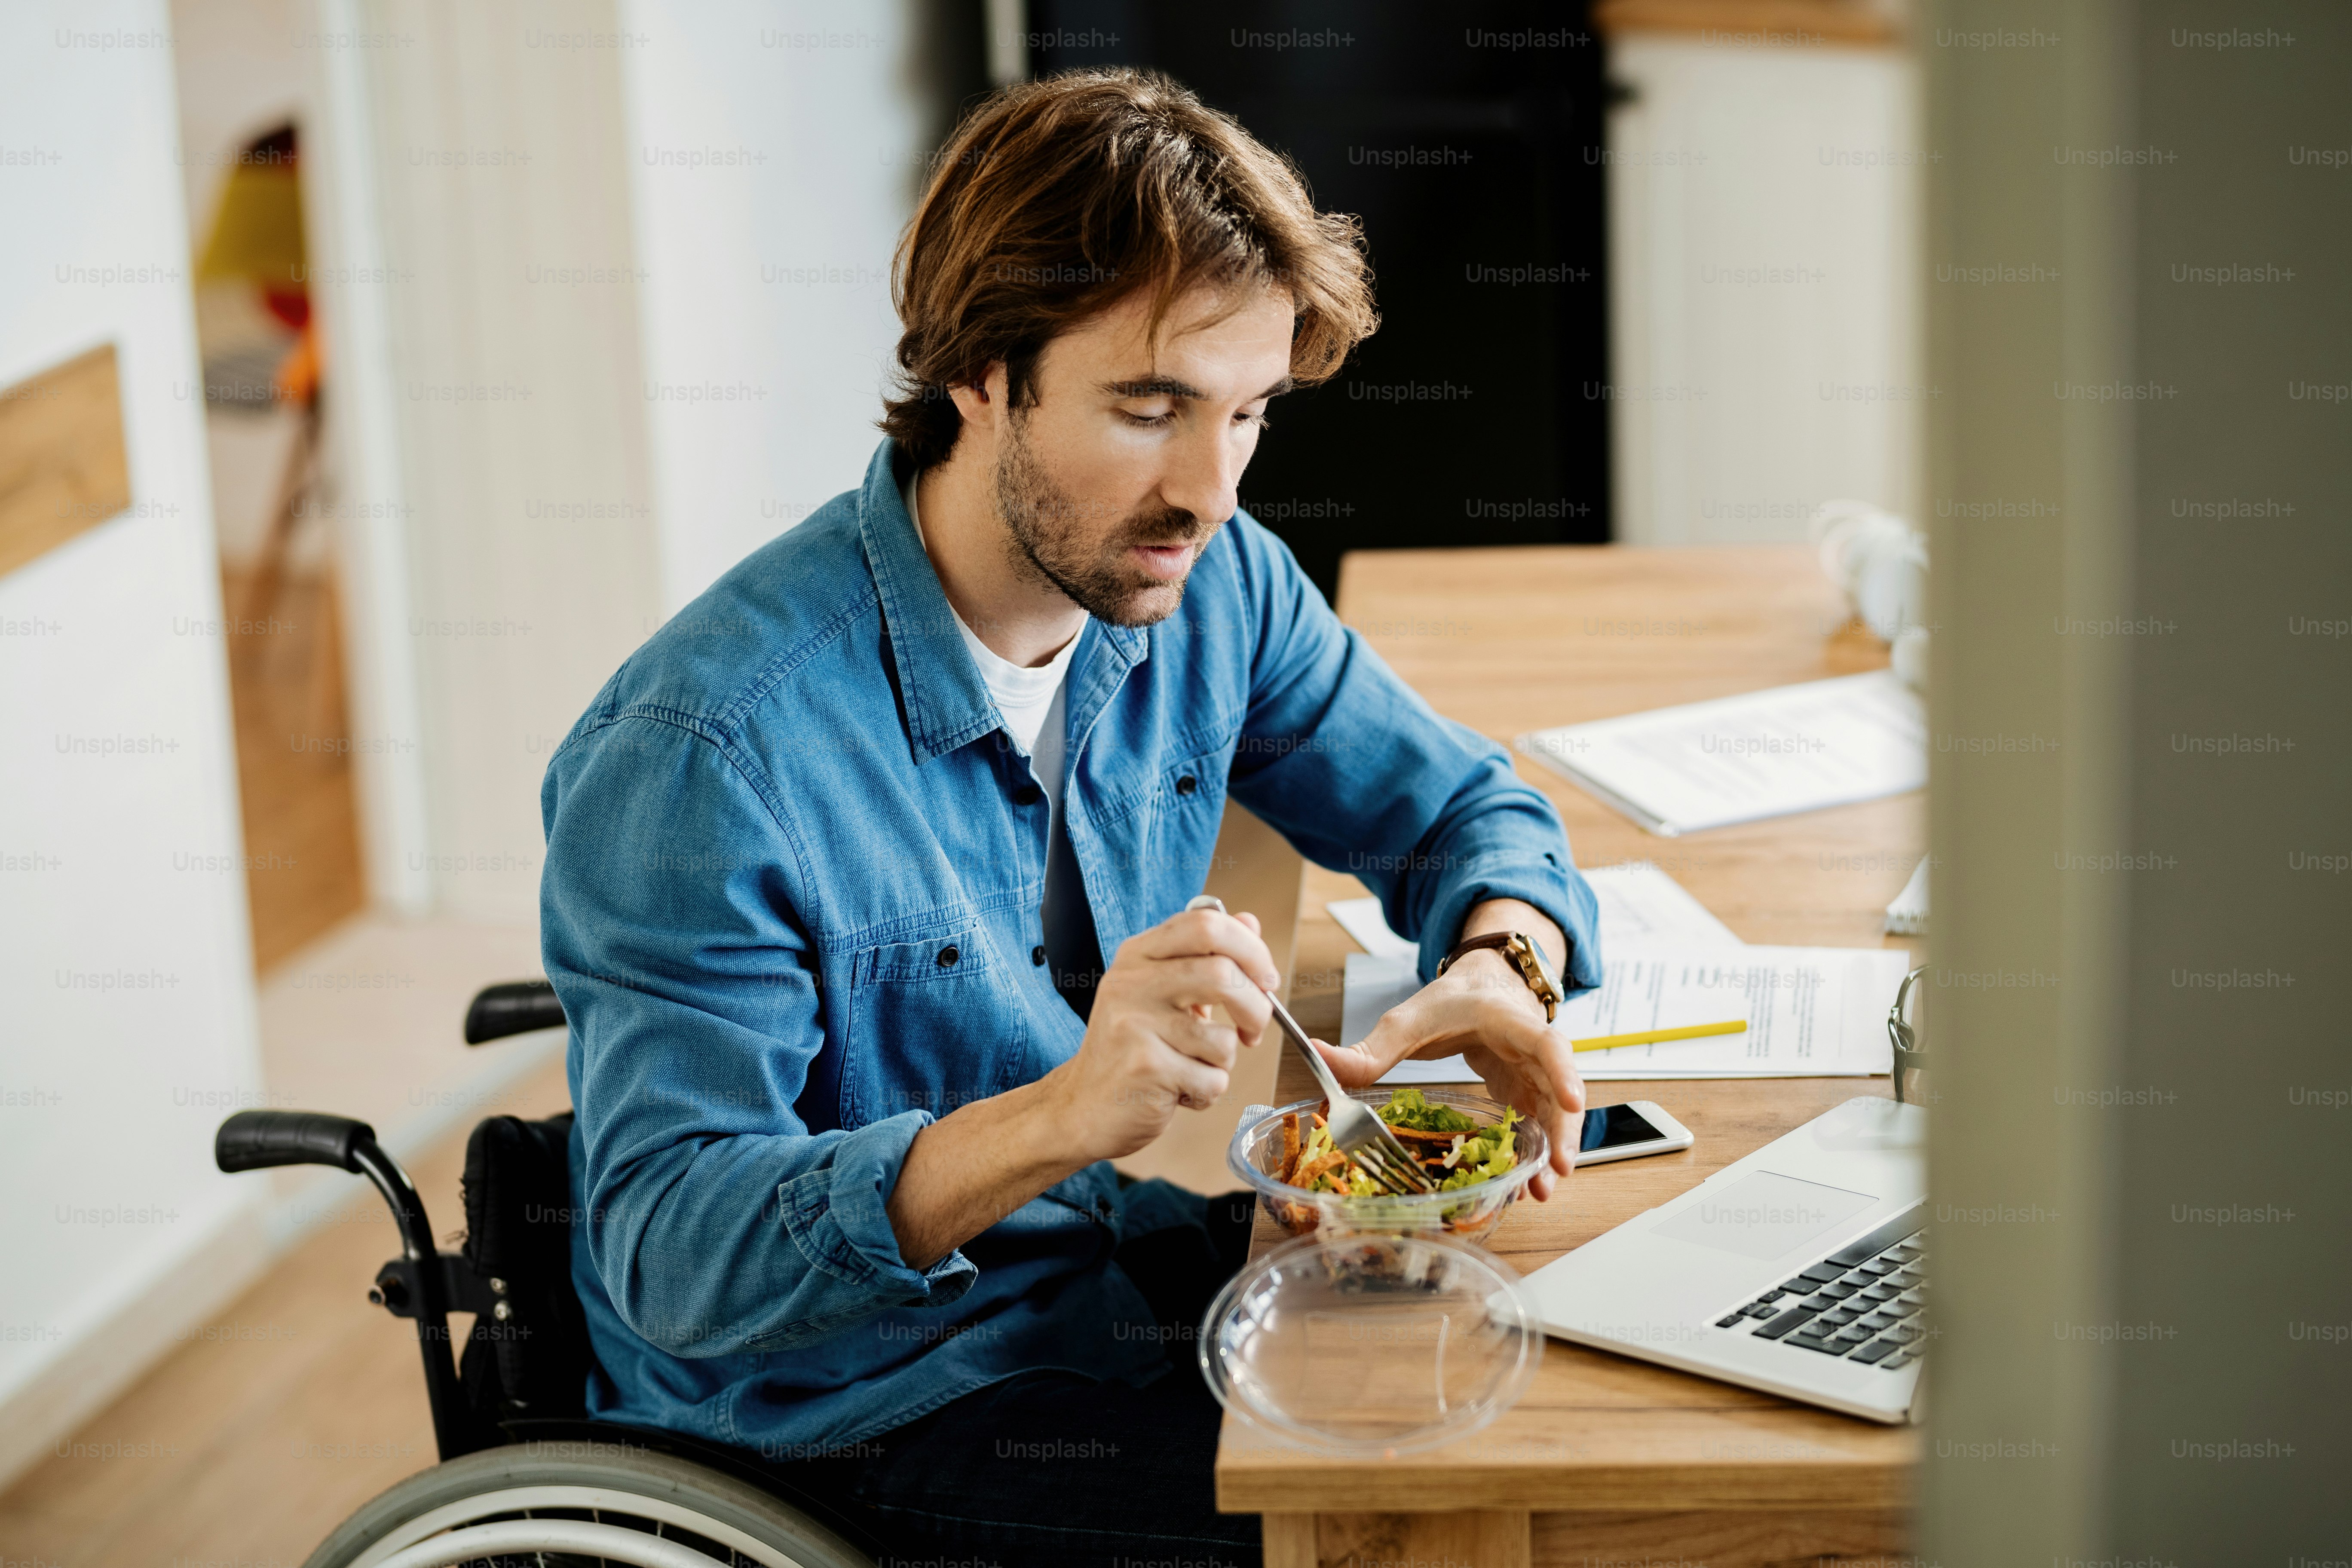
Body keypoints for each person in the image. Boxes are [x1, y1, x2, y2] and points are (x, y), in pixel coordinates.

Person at [539, 67, 1602, 1567]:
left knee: (1557, 1409)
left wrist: (1507, 959)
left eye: (1249, 414)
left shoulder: (1203, 582)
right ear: (981, 370)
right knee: (1402, 1529)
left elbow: (1462, 805)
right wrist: (1058, 1115)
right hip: (850, 1413)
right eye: (1149, 408)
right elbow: (674, 1253)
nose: (1210, 489)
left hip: (1088, 1276)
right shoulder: (704, 753)